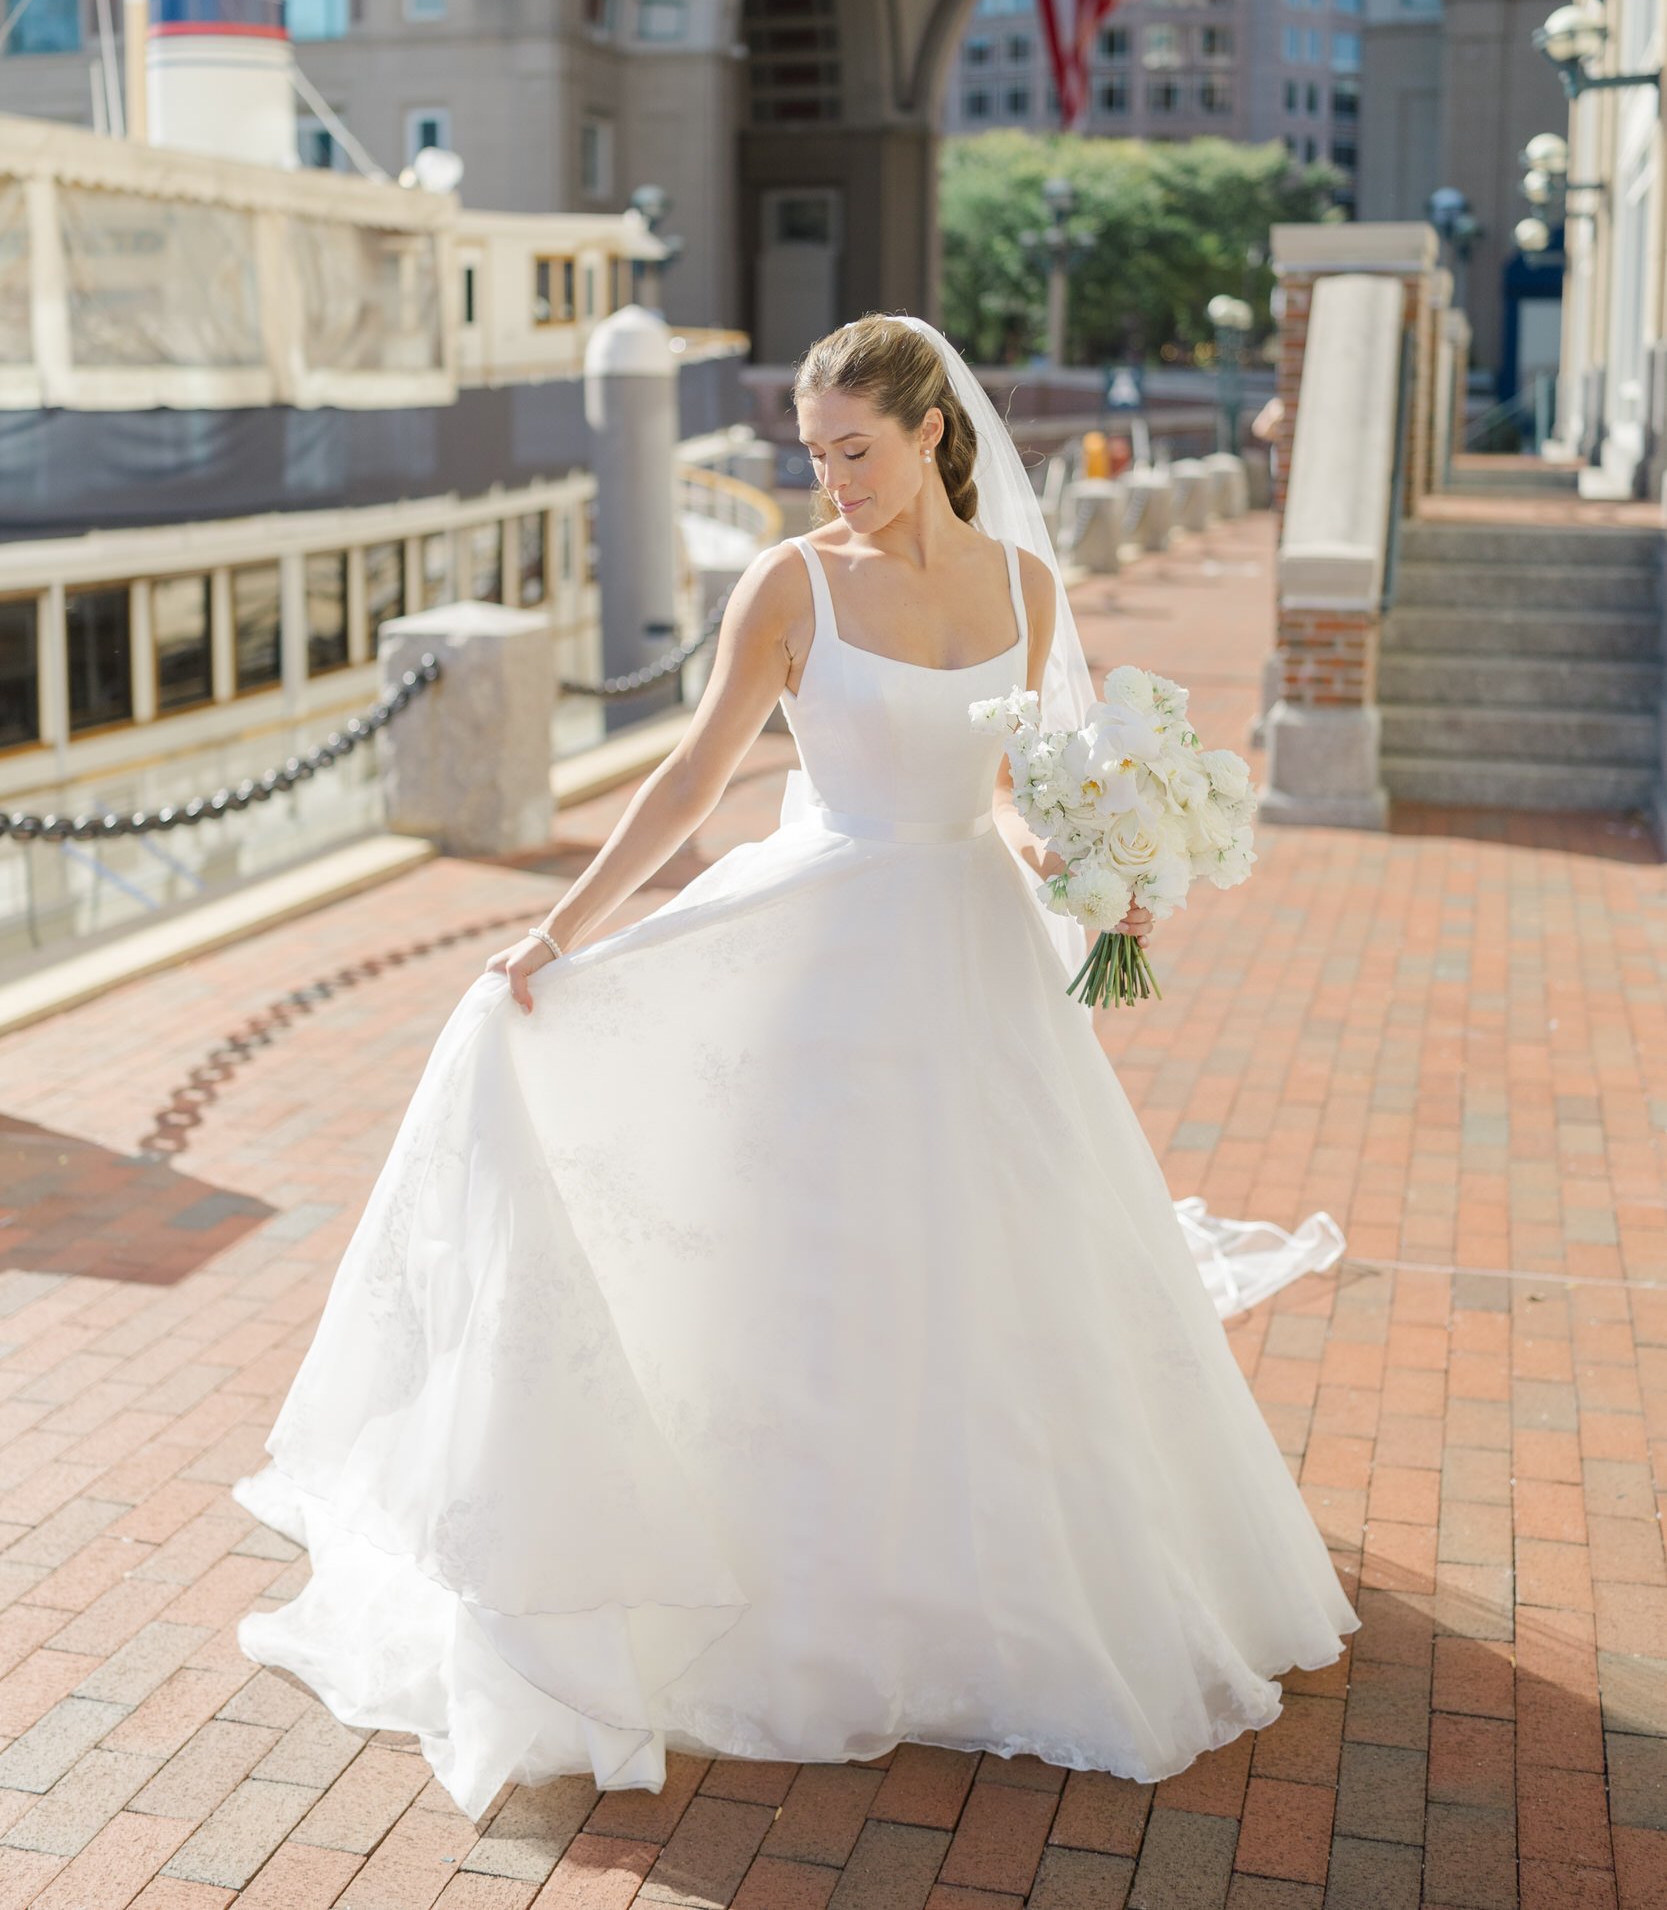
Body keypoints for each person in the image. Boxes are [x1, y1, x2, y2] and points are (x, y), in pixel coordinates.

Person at [233, 314, 1358, 1824]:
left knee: (998, 1256)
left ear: (934, 434)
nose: (833, 480)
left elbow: (1009, 787)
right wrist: (558, 935)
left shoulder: (1026, 586)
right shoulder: (792, 581)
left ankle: (1005, 1580)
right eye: (815, 453)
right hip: (826, 951)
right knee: (806, 1262)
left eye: (856, 450)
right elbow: (692, 773)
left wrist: (1093, 873)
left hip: (973, 954)